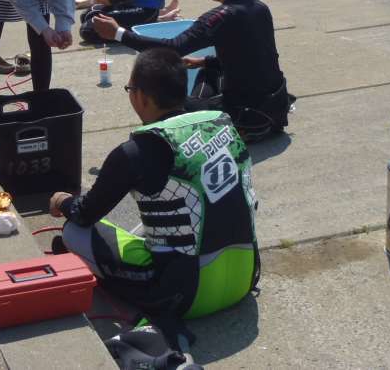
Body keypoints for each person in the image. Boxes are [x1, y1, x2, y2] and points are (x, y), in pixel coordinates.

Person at [49, 48, 258, 322]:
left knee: (73, 232)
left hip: (184, 297)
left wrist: (62, 201)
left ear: (142, 96)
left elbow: (85, 213)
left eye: (130, 89)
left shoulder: (137, 150)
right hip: (244, 279)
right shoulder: (221, 122)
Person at [91, 0, 291, 142]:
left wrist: (118, 33)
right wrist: (204, 61)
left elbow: (173, 48)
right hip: (274, 111)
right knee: (207, 71)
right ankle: (202, 105)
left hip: (245, 118)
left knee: (163, 101)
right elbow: (254, 58)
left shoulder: (220, 17)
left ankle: (168, 132)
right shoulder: (260, 8)